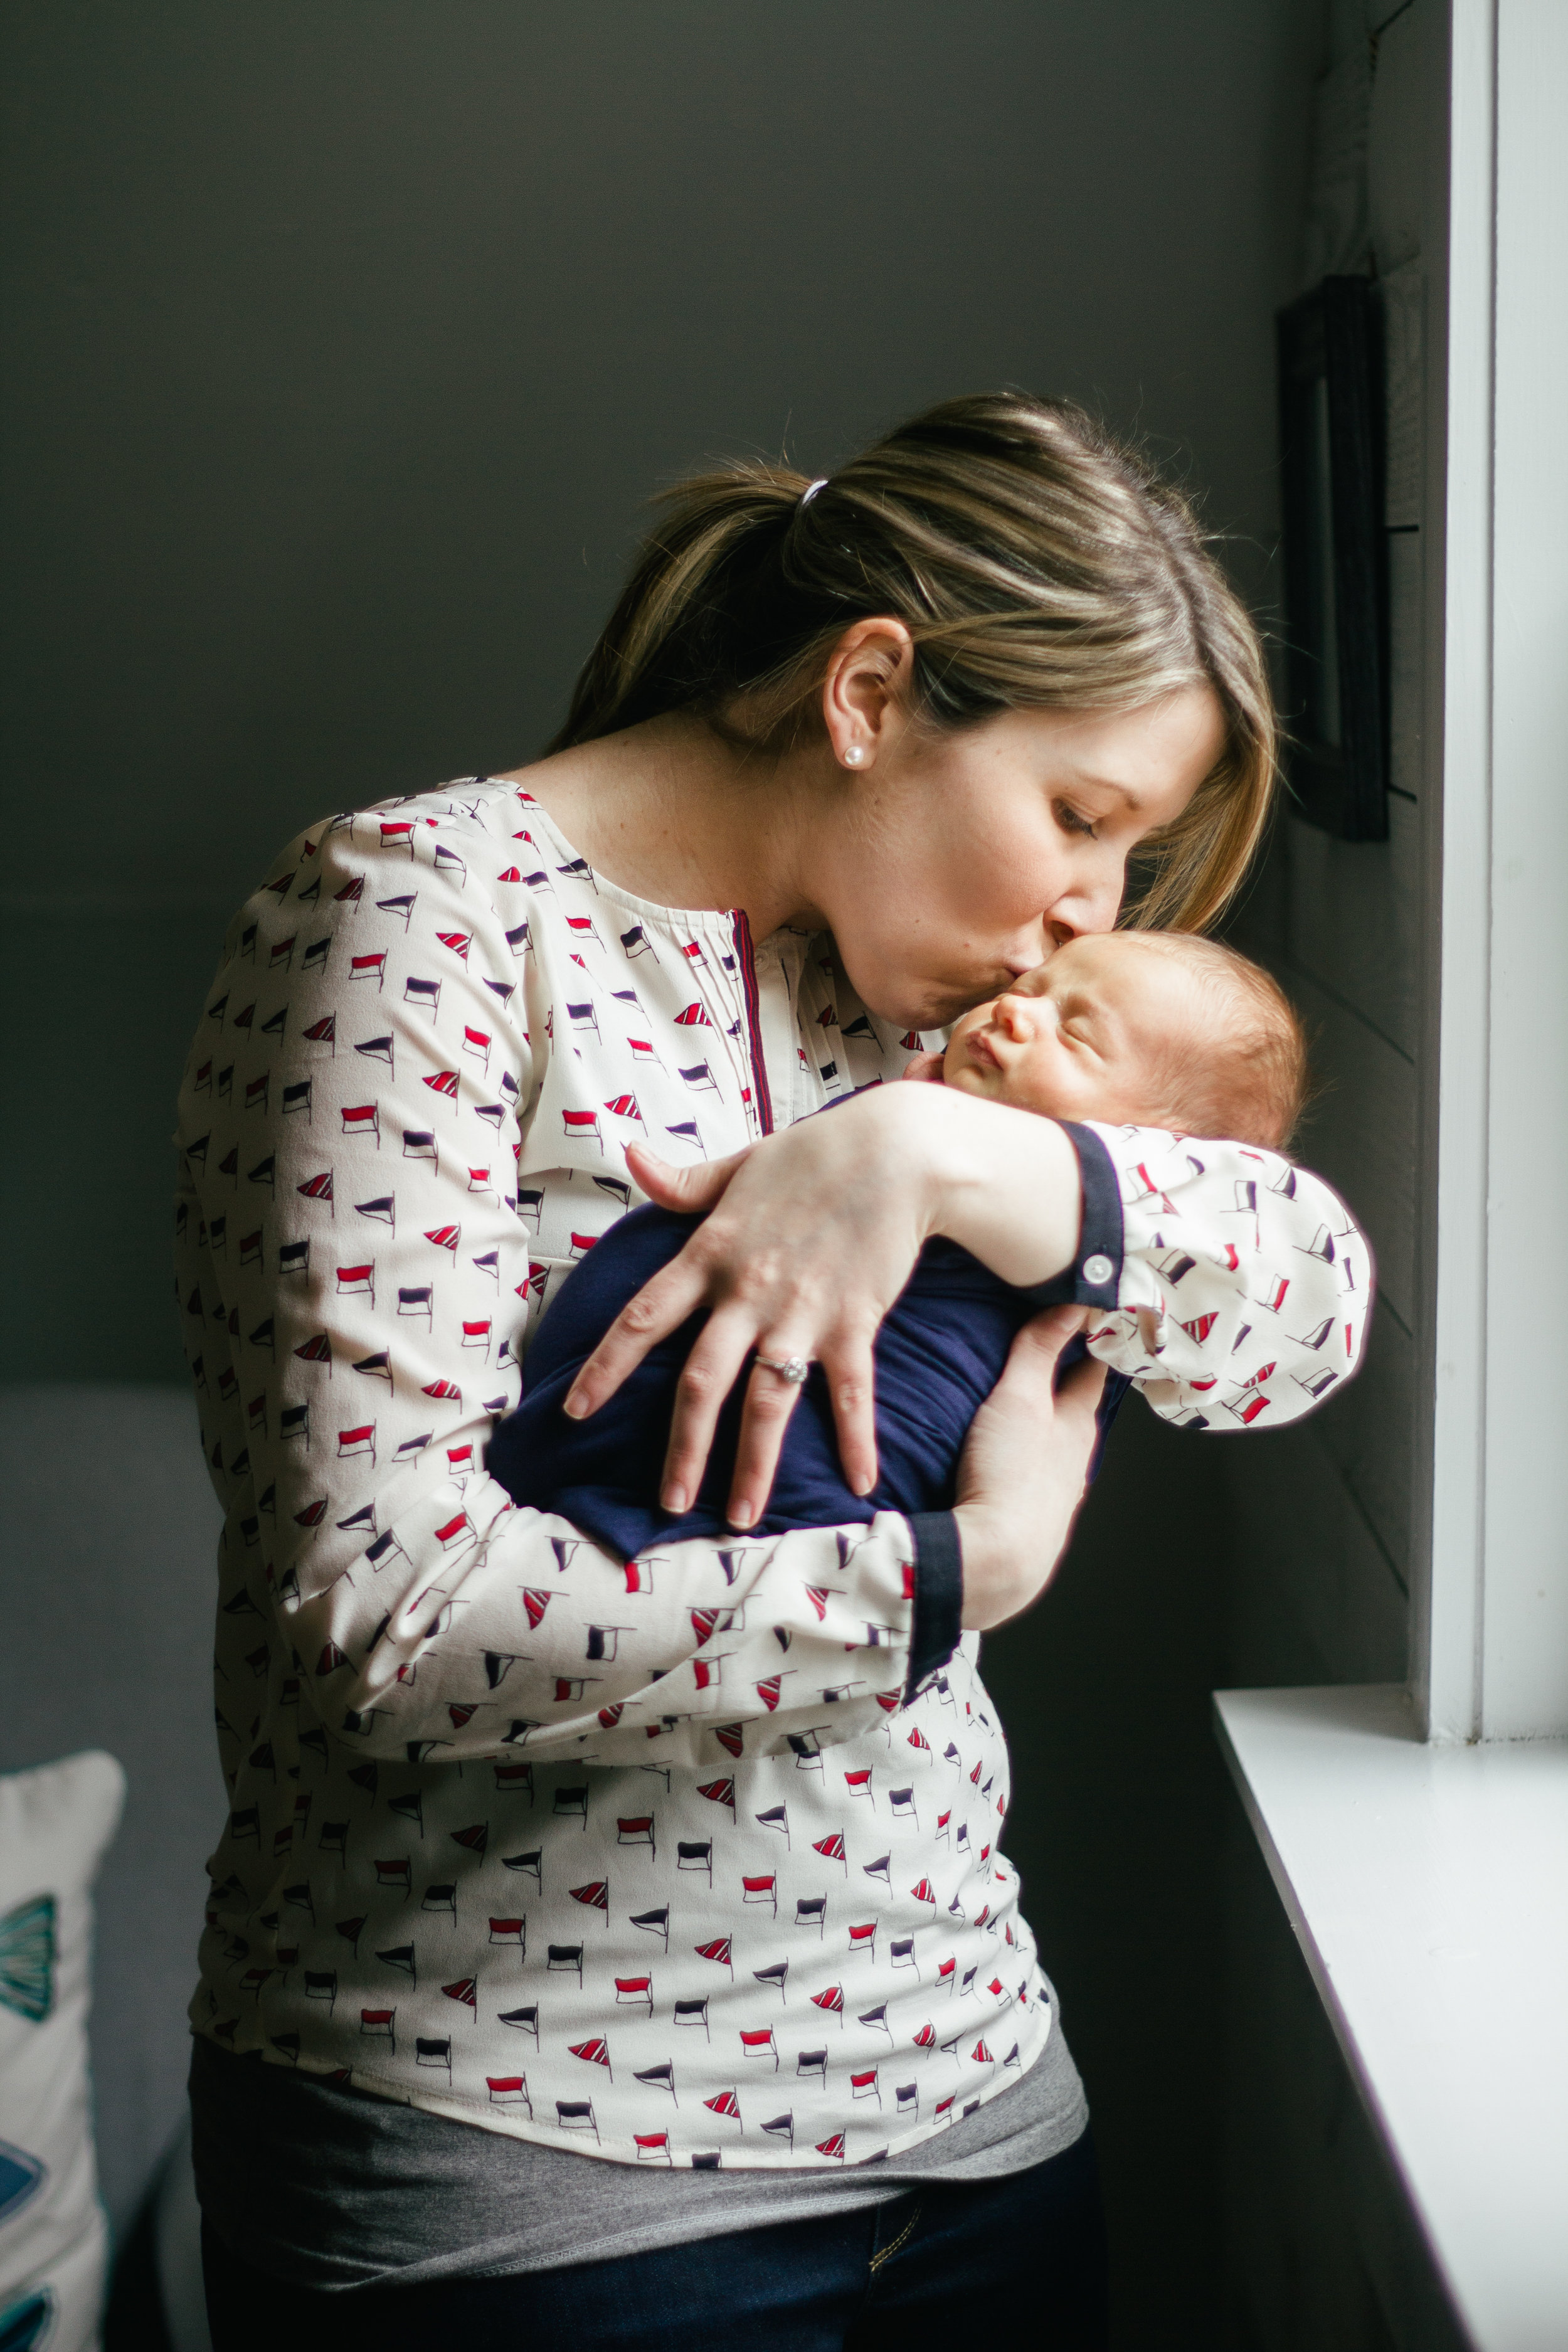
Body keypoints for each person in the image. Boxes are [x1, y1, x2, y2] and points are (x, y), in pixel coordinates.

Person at [178, 392, 1366, 2351]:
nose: (1095, 908)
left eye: (1129, 851)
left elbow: (1298, 1320)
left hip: (975, 2115)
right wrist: (945, 1580)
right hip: (519, 2180)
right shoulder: (415, 925)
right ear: (870, 687)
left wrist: (934, 1150)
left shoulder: (958, 1026)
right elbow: (383, 1621)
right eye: (1079, 816)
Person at [494, 929, 1357, 1561]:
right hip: (571, 1475)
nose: (1019, 1007)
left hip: (787, 1525)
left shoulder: (1121, 1268)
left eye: (1078, 1032)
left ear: (1157, 1155)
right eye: (1039, 986)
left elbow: (1314, 1289)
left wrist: (930, 1141)